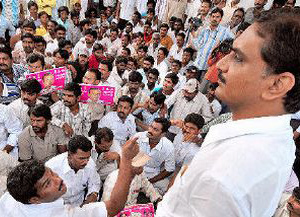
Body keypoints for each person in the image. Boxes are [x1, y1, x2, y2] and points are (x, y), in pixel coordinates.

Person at [156, 8, 300, 216]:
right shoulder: (280, 138)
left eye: (239, 58)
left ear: (278, 83)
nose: (221, 65)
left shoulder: (222, 177)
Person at [0, 137, 141, 217]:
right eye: (47, 183)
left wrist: (92, 194)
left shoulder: (11, 196)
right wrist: (126, 162)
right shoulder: (59, 215)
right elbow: (114, 206)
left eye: (53, 174)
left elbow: (94, 183)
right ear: (34, 199)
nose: (58, 180)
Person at [46, 135, 100, 207]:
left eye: (88, 157)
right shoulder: (51, 167)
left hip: (80, 205)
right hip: (57, 207)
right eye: (81, 158)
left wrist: (91, 198)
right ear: (69, 155)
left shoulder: (90, 164)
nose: (86, 162)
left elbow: (94, 184)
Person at [134, 118, 175, 195]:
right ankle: (147, 191)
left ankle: (147, 190)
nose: (150, 130)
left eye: (155, 129)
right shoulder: (138, 136)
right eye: (151, 126)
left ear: (163, 134)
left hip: (153, 175)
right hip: (135, 170)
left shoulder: (169, 146)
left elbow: (169, 169)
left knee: (168, 189)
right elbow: (127, 154)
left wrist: (149, 182)